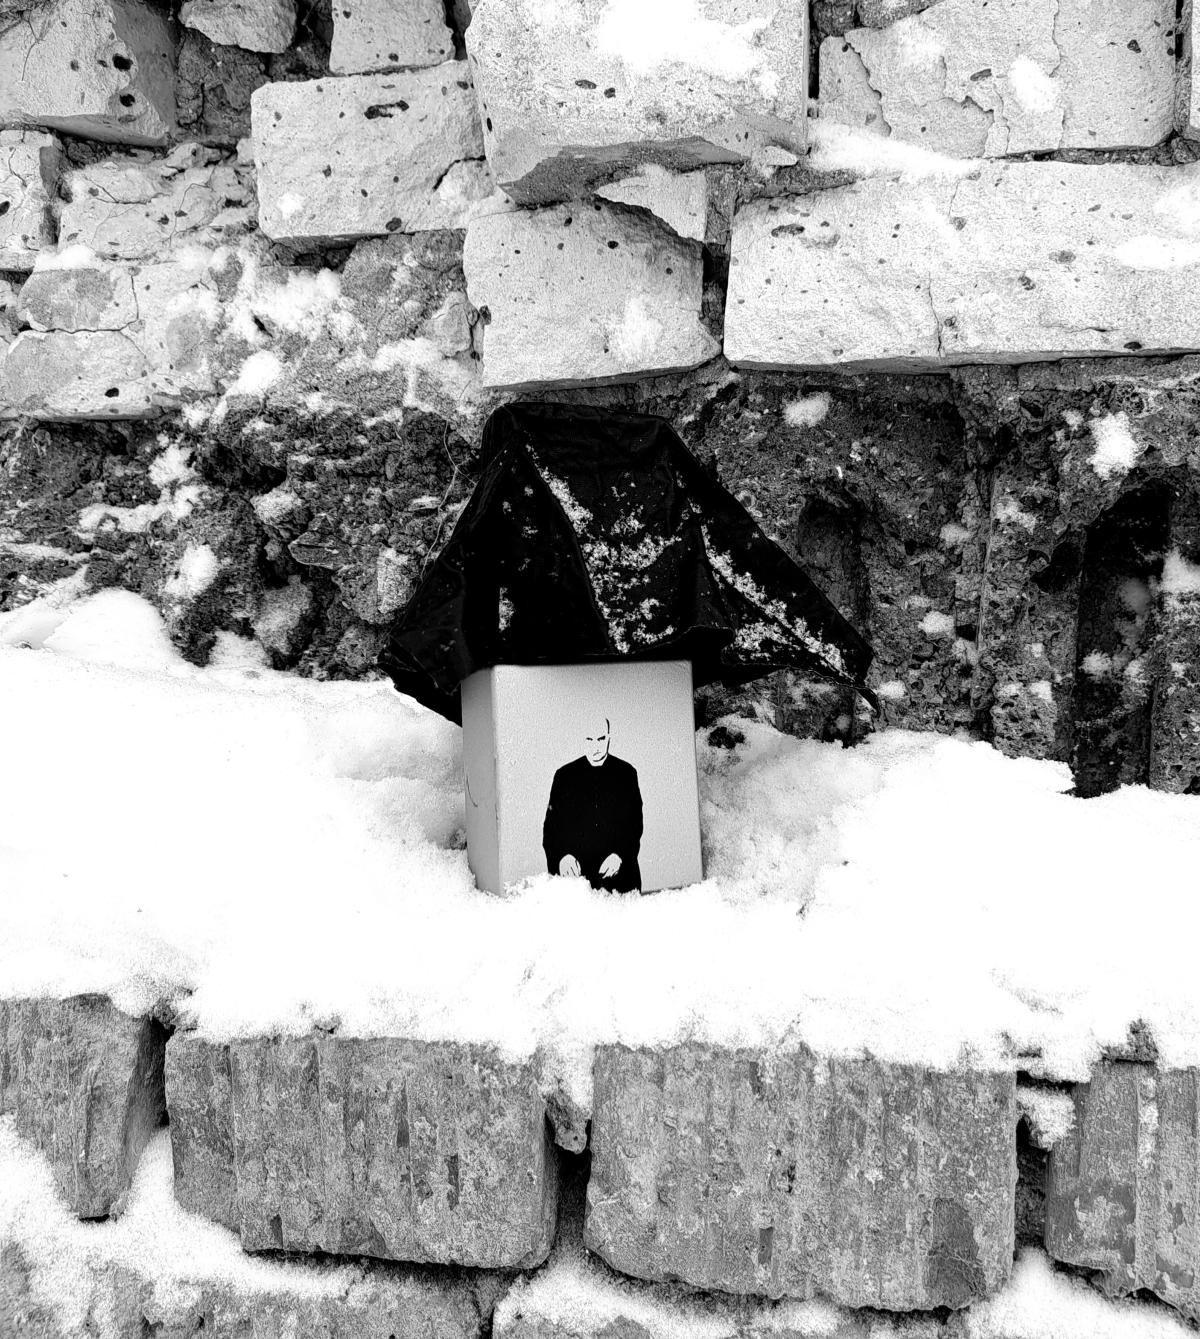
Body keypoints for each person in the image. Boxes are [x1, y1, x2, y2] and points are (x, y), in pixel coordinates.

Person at [542, 717, 643, 893]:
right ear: (582, 739)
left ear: (609, 738)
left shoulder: (626, 774)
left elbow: (634, 825)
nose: (595, 747)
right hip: (577, 882)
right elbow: (551, 828)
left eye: (601, 739)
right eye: (589, 739)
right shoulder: (564, 776)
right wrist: (561, 857)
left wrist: (620, 855)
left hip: (620, 880)